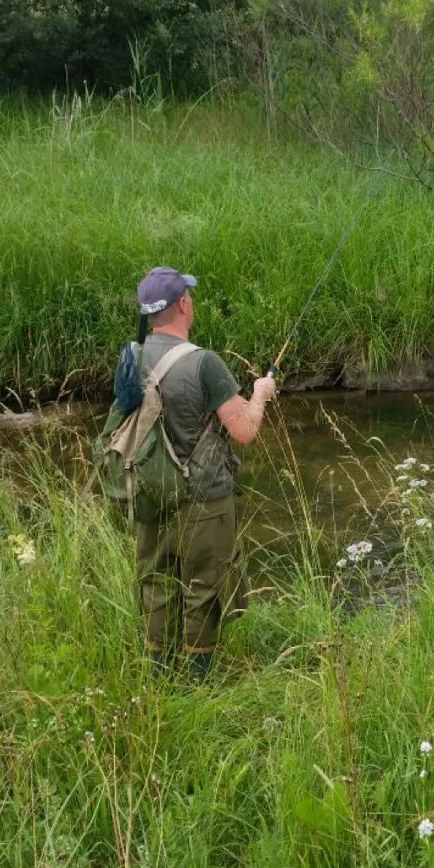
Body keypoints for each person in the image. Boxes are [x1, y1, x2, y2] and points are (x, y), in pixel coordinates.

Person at [132, 265, 276, 680]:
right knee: (204, 592)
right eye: (189, 296)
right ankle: (196, 687)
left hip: (150, 494)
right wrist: (259, 394)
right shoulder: (204, 364)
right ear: (182, 304)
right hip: (205, 500)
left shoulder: (132, 357)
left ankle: (159, 682)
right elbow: (245, 430)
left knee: (157, 585)